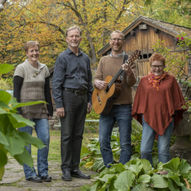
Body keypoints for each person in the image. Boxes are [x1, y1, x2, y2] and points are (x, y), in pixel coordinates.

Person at [52, 26, 93, 181]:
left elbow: (89, 81)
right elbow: (56, 83)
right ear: (67, 39)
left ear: (80, 38)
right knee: (67, 135)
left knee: (78, 135)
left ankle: (75, 168)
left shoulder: (85, 58)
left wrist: (89, 100)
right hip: (68, 97)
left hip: (82, 99)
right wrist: (59, 105)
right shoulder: (62, 58)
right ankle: (66, 169)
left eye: (77, 36)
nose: (74, 38)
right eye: (71, 36)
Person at [132, 53, 186, 165]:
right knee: (145, 150)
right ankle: (149, 172)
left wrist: (173, 113)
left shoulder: (171, 80)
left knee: (163, 151)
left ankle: (163, 176)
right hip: (148, 118)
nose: (157, 68)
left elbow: (177, 99)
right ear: (150, 66)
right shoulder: (144, 81)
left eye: (160, 66)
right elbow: (139, 99)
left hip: (166, 119)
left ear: (164, 66)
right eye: (154, 66)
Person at [94, 30, 137, 167]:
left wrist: (128, 72)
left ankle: (122, 170)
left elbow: (131, 82)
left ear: (123, 41)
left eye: (119, 39)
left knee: (125, 142)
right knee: (103, 140)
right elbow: (97, 79)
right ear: (110, 41)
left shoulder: (128, 60)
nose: (116, 42)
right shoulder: (103, 60)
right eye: (114, 39)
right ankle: (109, 167)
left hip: (123, 105)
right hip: (105, 105)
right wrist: (96, 82)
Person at [13, 41, 53, 183]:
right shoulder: (21, 68)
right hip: (25, 113)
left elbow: (47, 91)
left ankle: (43, 172)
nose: (35, 53)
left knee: (45, 139)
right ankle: (30, 173)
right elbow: (16, 92)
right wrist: (17, 111)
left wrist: (50, 109)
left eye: (36, 50)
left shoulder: (44, 68)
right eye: (31, 51)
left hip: (41, 111)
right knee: (26, 144)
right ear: (27, 53)